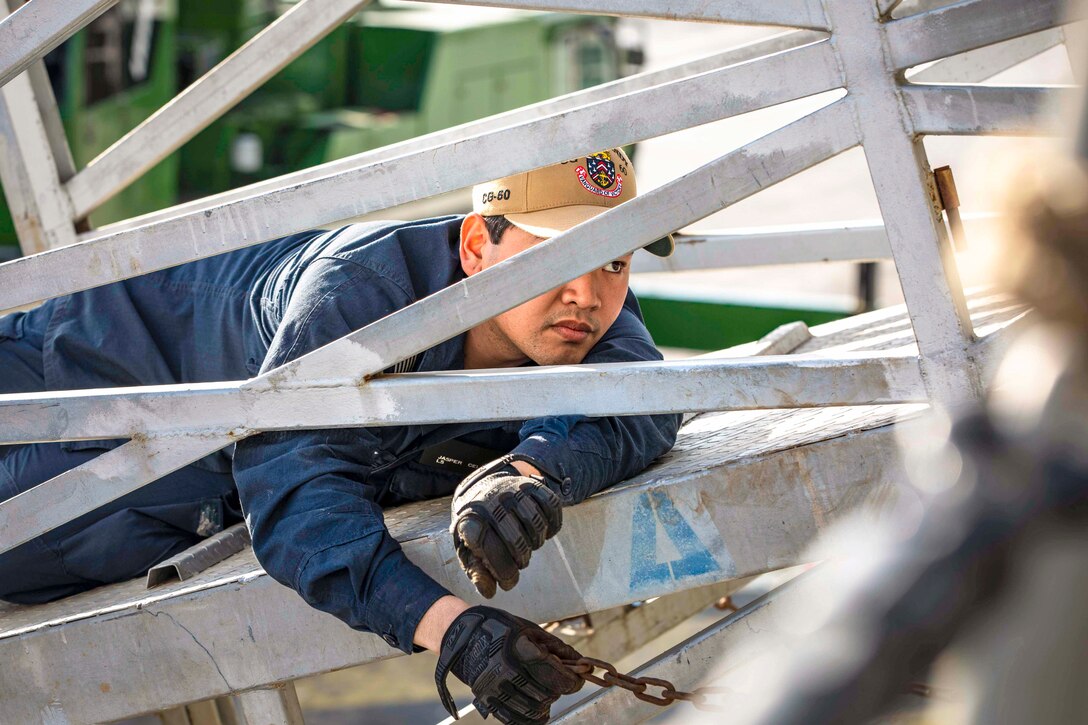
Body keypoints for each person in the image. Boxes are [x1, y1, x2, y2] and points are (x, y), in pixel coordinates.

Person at [0, 148, 679, 723]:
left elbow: (643, 402)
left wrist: (529, 474)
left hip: (186, 476)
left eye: (614, 262)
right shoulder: (363, 292)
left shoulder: (581, 319)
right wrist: (454, 632)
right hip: (76, 374)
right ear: (477, 246)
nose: (588, 294)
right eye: (560, 255)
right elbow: (295, 490)